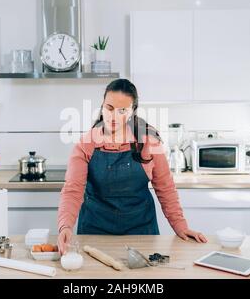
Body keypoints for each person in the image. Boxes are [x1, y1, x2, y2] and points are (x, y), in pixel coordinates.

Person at [57, 79, 207, 254]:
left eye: (122, 111)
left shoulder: (149, 141)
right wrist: (65, 226)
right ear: (102, 106)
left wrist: (181, 226)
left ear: (132, 112)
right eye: (109, 108)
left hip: (141, 230)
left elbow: (165, 187)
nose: (113, 117)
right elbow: (72, 189)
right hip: (95, 230)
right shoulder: (86, 143)